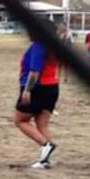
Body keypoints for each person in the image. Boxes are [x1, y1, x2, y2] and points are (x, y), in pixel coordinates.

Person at [14, 19, 60, 169]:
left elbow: (34, 72)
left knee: (20, 120)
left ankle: (45, 145)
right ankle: (45, 160)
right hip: (53, 87)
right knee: (42, 124)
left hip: (38, 87)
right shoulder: (54, 46)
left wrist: (27, 90)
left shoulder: (39, 46)